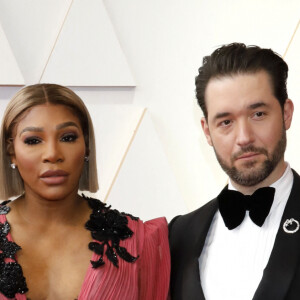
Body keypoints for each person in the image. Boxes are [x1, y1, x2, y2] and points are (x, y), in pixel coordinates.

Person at [0, 83, 170, 300]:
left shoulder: (140, 241)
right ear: (11, 151)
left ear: (87, 146)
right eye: (33, 140)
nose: (52, 154)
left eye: (67, 137)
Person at [169, 43, 300, 300]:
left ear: (286, 114)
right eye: (226, 122)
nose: (244, 138)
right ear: (207, 131)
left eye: (258, 114)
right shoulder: (178, 235)